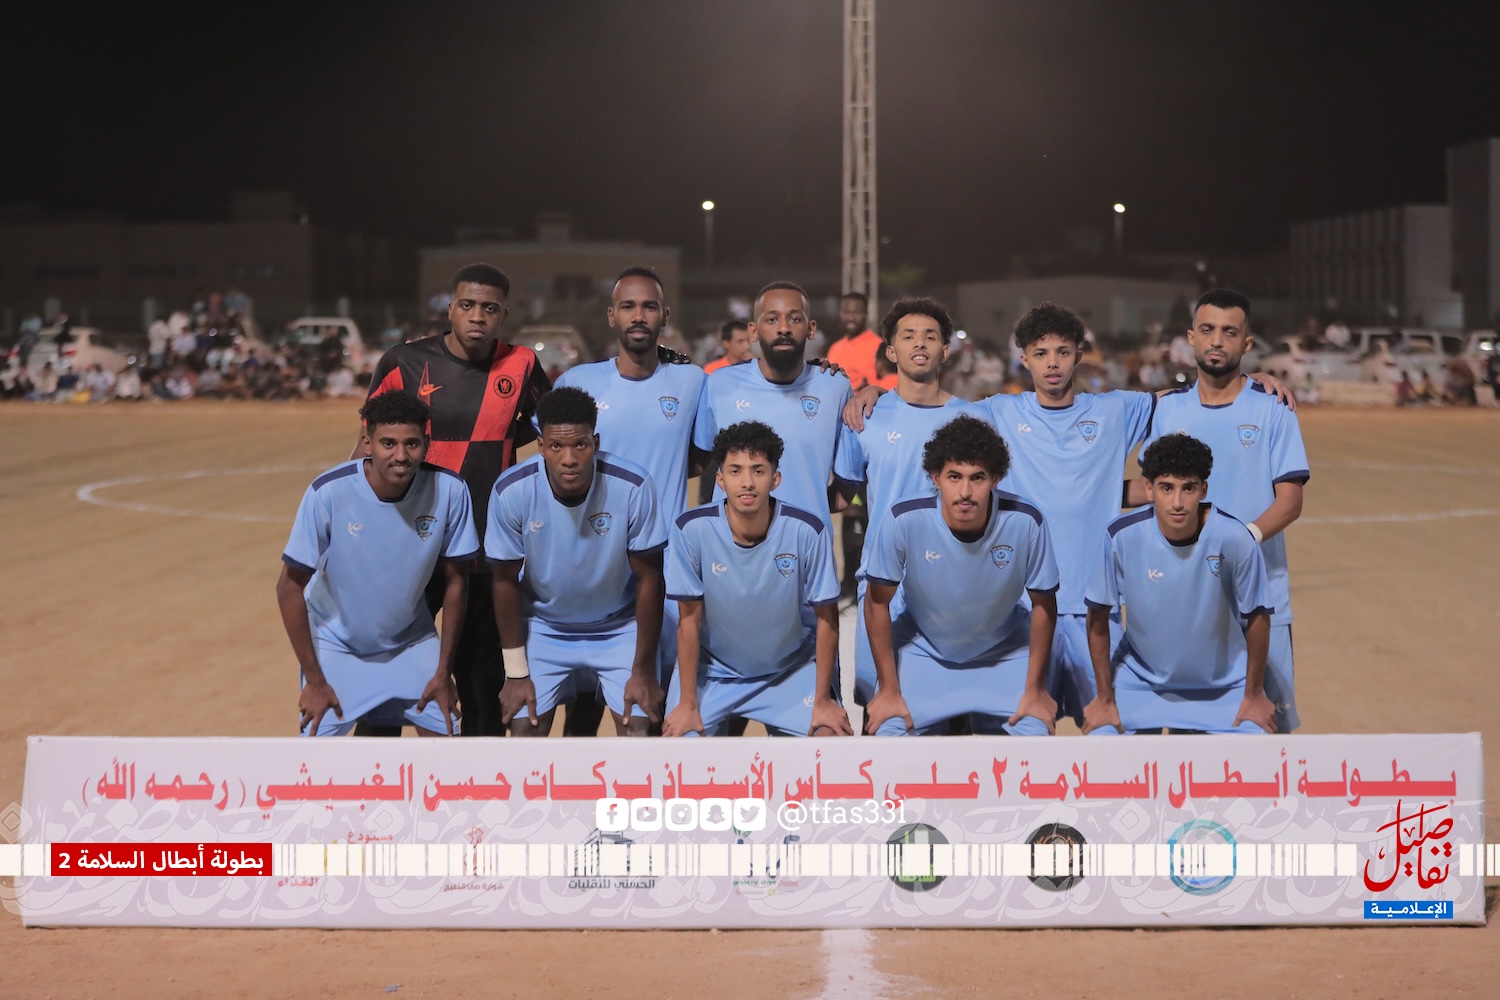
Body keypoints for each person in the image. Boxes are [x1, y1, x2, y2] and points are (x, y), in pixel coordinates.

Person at [364, 263, 550, 736]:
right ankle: (374, 778)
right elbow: (369, 442)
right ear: (450, 308)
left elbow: (548, 426)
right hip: (410, 545)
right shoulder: (402, 362)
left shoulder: (522, 363)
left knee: (481, 687)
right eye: (467, 305)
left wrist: (500, 443)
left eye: (489, 308)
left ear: (504, 314)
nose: (477, 316)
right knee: (389, 681)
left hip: (486, 549)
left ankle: (477, 782)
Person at [1135, 288, 1308, 733]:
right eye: (1208, 330)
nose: (1217, 340)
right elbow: (1149, 489)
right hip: (1183, 600)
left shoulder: (1273, 409)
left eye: (1230, 332)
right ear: (1191, 338)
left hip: (1261, 599)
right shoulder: (1165, 409)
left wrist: (1240, 542)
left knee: (1267, 731)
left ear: (1246, 344)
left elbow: (1289, 501)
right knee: (1190, 734)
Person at [547, 266, 704, 734]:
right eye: (629, 306)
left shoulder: (691, 382)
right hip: (591, 563)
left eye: (649, 306)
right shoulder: (578, 381)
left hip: (664, 567)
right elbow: (554, 460)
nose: (639, 316)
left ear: (665, 316)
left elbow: (701, 456)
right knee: (581, 711)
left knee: (648, 708)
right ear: (611, 315)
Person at [277, 392, 477, 737]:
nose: (401, 455)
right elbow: (289, 586)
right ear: (367, 443)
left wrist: (443, 671)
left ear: (426, 444)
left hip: (411, 642)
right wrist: (315, 680)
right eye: (388, 443)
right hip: (336, 643)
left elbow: (457, 581)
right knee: (316, 759)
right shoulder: (329, 492)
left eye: (411, 443)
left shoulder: (451, 490)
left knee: (448, 742)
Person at [832, 296, 988, 707]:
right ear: (890, 350)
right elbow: (843, 494)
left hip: (954, 584)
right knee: (878, 708)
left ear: (945, 350)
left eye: (930, 336)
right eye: (908, 336)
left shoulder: (974, 420)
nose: (919, 343)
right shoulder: (863, 417)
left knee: (951, 710)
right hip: (882, 586)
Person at [486, 386, 668, 737]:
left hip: (618, 626)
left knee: (639, 728)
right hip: (543, 626)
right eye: (556, 446)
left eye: (580, 445)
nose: (569, 459)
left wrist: (643, 670)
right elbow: (504, 580)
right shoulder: (512, 490)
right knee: (524, 729)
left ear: (595, 443)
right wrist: (516, 673)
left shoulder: (633, 486)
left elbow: (650, 578)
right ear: (541, 446)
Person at [863, 416, 1059, 736]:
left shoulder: (1027, 521)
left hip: (1005, 653)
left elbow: (1044, 605)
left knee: (1036, 737)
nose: (965, 491)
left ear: (996, 479)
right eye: (954, 476)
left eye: (977, 477)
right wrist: (887, 690)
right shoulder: (903, 518)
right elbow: (876, 603)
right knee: (889, 738)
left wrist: (1035, 689)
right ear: (935, 477)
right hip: (922, 651)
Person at [663, 421, 850, 738]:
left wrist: (822, 700)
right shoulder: (690, 529)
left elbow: (827, 619)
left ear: (775, 479)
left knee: (830, 739)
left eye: (758, 471)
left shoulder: (807, 530)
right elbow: (689, 621)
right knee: (681, 744)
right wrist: (688, 703)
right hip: (713, 672)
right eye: (735, 471)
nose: (747, 482)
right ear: (720, 479)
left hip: (789, 671)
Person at [1084, 433, 1275, 735]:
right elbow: (1097, 619)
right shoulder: (1120, 537)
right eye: (1166, 488)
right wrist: (1104, 697)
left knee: (1256, 742)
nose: (1177, 502)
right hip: (1140, 682)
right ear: (1149, 489)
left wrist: (1253, 694)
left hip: (1225, 685)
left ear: (1203, 490)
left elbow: (1258, 616)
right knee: (1102, 741)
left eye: (1188, 488)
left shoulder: (1235, 537)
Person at [694, 282, 853, 530]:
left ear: (811, 329)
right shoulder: (719, 384)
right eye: (772, 319)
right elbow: (700, 460)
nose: (784, 328)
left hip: (807, 546)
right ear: (753, 331)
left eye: (794, 319)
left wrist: (811, 507)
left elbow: (847, 486)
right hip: (730, 546)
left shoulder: (835, 387)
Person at [826, 292, 884, 391]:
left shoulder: (879, 347)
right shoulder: (834, 348)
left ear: (866, 314)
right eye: (846, 312)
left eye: (856, 313)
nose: (851, 318)